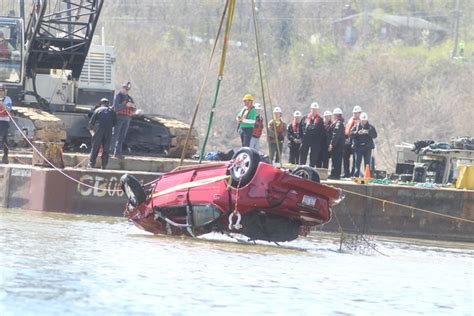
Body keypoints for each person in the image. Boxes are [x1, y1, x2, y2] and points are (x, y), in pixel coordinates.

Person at [88, 98, 117, 169]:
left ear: (100, 103)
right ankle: (104, 165)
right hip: (108, 131)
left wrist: (92, 131)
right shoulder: (112, 111)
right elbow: (115, 123)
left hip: (99, 130)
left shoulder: (97, 110)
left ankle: (91, 164)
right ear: (108, 104)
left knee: (95, 147)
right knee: (106, 148)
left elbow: (91, 123)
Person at [111, 81, 135, 158]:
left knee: (122, 136)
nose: (126, 90)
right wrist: (125, 105)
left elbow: (133, 109)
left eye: (127, 89)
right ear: (122, 87)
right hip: (118, 117)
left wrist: (133, 107)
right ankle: (108, 152)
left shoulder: (130, 98)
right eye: (125, 88)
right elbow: (116, 107)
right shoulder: (118, 96)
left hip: (127, 119)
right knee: (114, 135)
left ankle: (118, 153)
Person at [351, 112, 377, 178]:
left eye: (365, 120)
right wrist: (357, 133)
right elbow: (351, 134)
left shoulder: (370, 127)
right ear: (360, 120)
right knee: (357, 162)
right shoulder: (356, 126)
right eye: (362, 120)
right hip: (358, 147)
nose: (363, 122)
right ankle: (356, 175)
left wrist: (368, 132)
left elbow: (375, 135)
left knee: (367, 163)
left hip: (367, 148)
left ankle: (367, 176)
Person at [300, 102, 324, 167]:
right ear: (311, 109)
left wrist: (319, 140)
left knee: (314, 155)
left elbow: (322, 131)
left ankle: (311, 167)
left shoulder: (320, 119)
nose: (314, 111)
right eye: (313, 109)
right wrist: (301, 137)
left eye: (315, 109)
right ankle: (302, 166)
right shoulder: (305, 118)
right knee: (303, 153)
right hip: (306, 138)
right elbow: (300, 128)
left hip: (315, 140)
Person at [343, 105, 362, 178]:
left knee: (355, 159)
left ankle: (353, 173)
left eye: (356, 113)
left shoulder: (361, 121)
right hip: (348, 141)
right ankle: (346, 173)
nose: (354, 114)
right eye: (354, 113)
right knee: (345, 158)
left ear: (360, 113)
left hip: (356, 142)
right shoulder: (351, 120)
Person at [328, 108, 345, 179]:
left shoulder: (338, 123)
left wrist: (332, 144)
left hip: (337, 146)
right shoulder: (340, 123)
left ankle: (335, 174)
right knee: (336, 160)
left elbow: (335, 134)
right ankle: (335, 174)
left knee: (336, 160)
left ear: (336, 115)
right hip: (339, 145)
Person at [0, 84, 12, 164]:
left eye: (2, 91)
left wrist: (2, 103)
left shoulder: (8, 99)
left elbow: (8, 109)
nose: (1, 92)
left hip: (4, 121)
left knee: (3, 138)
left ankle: (5, 157)